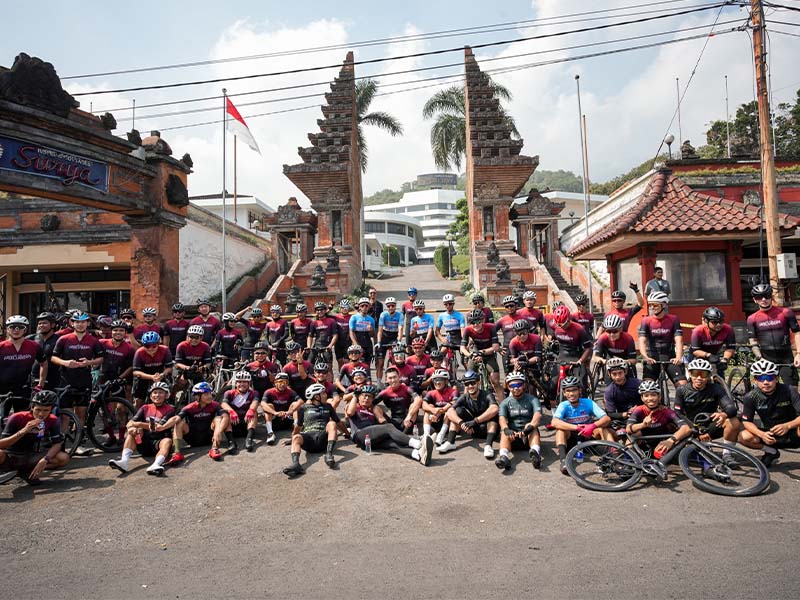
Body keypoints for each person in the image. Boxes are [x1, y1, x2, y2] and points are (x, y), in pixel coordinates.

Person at [345, 384, 433, 466]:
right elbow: (349, 412)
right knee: (388, 427)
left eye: (370, 397)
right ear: (359, 397)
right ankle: (418, 444)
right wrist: (354, 396)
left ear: (373, 400)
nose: (366, 398)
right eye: (364, 396)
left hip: (370, 441)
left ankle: (418, 455)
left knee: (393, 445)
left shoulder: (371, 411)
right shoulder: (355, 406)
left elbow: (381, 423)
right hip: (360, 435)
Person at [673, 358, 740, 464]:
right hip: (690, 427)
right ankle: (697, 446)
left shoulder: (716, 388)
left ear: (709, 376)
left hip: (710, 425)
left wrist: (723, 414)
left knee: (734, 421)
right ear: (690, 374)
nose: (699, 378)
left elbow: (731, 408)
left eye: (703, 375)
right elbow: (677, 413)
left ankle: (727, 454)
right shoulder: (682, 390)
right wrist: (696, 430)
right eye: (695, 374)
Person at [51, 312, 104, 442]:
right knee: (66, 415)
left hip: (84, 380)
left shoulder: (93, 340)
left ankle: (77, 440)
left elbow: (101, 358)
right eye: (77, 322)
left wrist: (89, 362)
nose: (80, 325)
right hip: (66, 380)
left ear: (87, 323)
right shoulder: (63, 339)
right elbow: (53, 357)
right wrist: (65, 363)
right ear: (72, 323)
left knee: (81, 413)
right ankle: (62, 442)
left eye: (83, 322)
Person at [738, 359, 800, 468]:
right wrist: (761, 434)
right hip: (769, 435)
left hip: (792, 432)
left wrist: (787, 426)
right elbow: (747, 422)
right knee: (743, 436)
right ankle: (771, 452)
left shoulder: (789, 390)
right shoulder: (750, 397)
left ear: (776, 378)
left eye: (770, 378)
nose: (766, 382)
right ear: (755, 380)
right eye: (761, 378)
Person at [0, 390, 70, 486]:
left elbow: (57, 444)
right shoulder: (17, 417)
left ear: (51, 410)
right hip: (9, 456)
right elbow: (2, 444)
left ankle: (26, 471)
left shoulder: (52, 420)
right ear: (32, 407)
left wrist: (45, 459)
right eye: (38, 410)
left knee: (63, 458)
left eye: (46, 410)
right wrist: (24, 431)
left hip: (29, 456)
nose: (41, 414)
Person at [108, 381, 175, 476]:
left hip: (159, 442)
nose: (157, 395)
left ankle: (156, 465)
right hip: (143, 443)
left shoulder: (170, 409)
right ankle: (124, 462)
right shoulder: (145, 407)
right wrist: (132, 428)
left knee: (167, 440)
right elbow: (130, 423)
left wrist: (138, 423)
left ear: (166, 395)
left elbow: (156, 427)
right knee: (134, 431)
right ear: (151, 396)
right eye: (155, 393)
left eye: (161, 392)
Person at [551, 376, 612, 474]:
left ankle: (614, 454)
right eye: (568, 391)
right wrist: (577, 427)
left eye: (574, 390)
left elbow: (606, 419)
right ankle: (563, 460)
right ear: (564, 393)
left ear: (579, 390)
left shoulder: (588, 402)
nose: (571, 393)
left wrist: (592, 426)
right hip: (572, 438)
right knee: (560, 430)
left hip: (588, 436)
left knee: (602, 428)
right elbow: (554, 422)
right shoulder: (563, 405)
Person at [747, 283, 800, 386]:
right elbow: (753, 341)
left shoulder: (786, 312)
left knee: (792, 390)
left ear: (771, 296)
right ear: (755, 300)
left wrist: (798, 354)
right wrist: (759, 357)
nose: (763, 299)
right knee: (768, 390)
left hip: (786, 357)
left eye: (766, 296)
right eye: (759, 297)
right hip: (766, 358)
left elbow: (797, 332)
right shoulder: (752, 318)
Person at [626, 380, 692, 462]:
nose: (650, 398)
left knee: (684, 435)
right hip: (643, 444)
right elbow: (628, 429)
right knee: (633, 435)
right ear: (642, 398)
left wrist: (670, 441)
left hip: (661, 444)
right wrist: (643, 425)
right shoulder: (639, 410)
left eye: (653, 395)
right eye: (646, 396)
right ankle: (626, 462)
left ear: (659, 397)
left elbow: (686, 428)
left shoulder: (666, 411)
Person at [283, 383, 340, 477]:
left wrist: (348, 434)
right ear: (317, 396)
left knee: (332, 423)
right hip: (309, 439)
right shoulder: (303, 408)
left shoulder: (328, 406)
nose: (326, 395)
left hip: (322, 439)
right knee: (297, 437)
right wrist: (292, 439)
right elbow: (298, 426)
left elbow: (338, 422)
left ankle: (329, 454)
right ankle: (296, 464)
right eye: (323, 393)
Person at [165, 381, 229, 463]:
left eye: (210, 393)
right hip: (193, 438)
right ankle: (177, 453)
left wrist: (219, 432)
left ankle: (214, 448)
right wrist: (162, 427)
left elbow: (226, 417)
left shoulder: (215, 405)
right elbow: (175, 419)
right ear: (197, 396)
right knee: (179, 422)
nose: (210, 396)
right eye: (206, 394)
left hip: (209, 437)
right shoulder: (189, 407)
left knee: (218, 418)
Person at [441, 370, 499, 457]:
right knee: (458, 411)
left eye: (472, 383)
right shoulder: (465, 397)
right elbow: (450, 411)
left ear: (478, 383)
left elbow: (494, 408)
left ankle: (488, 446)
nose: (470, 386)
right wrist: (461, 423)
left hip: (489, 430)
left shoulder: (487, 394)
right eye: (467, 384)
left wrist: (475, 421)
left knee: (493, 415)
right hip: (473, 429)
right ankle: (450, 442)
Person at [495, 371, 542, 470]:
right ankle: (504, 457)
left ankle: (535, 453)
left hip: (528, 435)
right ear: (508, 387)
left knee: (532, 426)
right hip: (513, 437)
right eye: (512, 385)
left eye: (518, 384)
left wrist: (530, 427)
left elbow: (538, 415)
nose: (515, 388)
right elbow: (502, 418)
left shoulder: (533, 399)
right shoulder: (505, 402)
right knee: (504, 431)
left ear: (524, 385)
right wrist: (506, 429)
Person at [638, 291, 686, 387]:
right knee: (646, 388)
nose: (652, 307)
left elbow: (678, 340)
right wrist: (645, 356)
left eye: (655, 305)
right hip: (652, 358)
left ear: (663, 305)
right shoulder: (646, 321)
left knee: (683, 386)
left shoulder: (673, 319)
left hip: (670, 357)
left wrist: (678, 357)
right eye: (650, 305)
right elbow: (642, 341)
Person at [0, 315, 47, 414]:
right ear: (7, 330)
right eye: (12, 327)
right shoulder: (1, 346)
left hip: (24, 389)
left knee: (21, 420)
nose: (16, 330)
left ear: (25, 330)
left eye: (20, 327)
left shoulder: (34, 346)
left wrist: (40, 384)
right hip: (2, 390)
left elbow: (44, 364)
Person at [547, 304, 593, 397]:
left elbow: (588, 348)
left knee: (581, 386)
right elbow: (549, 337)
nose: (561, 326)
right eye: (558, 324)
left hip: (576, 356)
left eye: (563, 324)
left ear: (569, 319)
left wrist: (580, 361)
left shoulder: (579, 329)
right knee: (552, 385)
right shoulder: (554, 325)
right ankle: (553, 409)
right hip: (562, 355)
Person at [461, 309, 503, 400]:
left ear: (483, 320)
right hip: (475, 351)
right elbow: (462, 348)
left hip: (488, 351)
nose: (475, 324)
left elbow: (495, 347)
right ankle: (465, 403)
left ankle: (503, 405)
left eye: (478, 321)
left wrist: (482, 352)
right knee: (468, 379)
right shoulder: (468, 329)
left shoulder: (491, 327)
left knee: (495, 381)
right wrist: (470, 355)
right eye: (472, 322)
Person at [220, 371, 260, 453]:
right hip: (233, 424)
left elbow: (255, 402)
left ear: (249, 383)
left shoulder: (254, 393)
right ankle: (231, 442)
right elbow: (223, 403)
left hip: (247, 424)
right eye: (239, 382)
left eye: (245, 382)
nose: (242, 384)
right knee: (225, 414)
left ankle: (249, 439)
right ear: (236, 383)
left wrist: (251, 410)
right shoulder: (229, 393)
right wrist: (231, 411)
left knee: (255, 412)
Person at [131, 331, 173, 409]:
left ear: (158, 344)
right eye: (147, 346)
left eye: (154, 346)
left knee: (166, 397)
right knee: (139, 401)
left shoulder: (165, 350)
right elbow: (135, 372)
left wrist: (162, 375)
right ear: (143, 345)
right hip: (144, 376)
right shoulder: (139, 352)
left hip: (160, 374)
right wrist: (151, 377)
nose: (150, 349)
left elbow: (169, 368)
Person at [690, 307, 736, 376]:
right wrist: (708, 355)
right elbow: (695, 351)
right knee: (698, 376)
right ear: (706, 321)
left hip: (714, 354)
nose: (718, 325)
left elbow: (730, 348)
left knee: (719, 374)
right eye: (714, 322)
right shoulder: (698, 331)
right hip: (697, 354)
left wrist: (725, 359)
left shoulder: (728, 329)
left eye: (721, 321)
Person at [376, 367, 423, 434]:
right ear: (386, 380)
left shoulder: (406, 388)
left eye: (395, 377)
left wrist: (409, 416)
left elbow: (418, 399)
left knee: (415, 403)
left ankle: (404, 433)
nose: (393, 380)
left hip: (407, 420)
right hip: (393, 421)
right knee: (376, 408)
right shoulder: (385, 392)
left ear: (399, 377)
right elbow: (371, 404)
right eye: (390, 378)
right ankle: (387, 428)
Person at [260, 372, 302, 444]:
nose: (282, 384)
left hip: (287, 418)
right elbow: (262, 404)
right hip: (274, 420)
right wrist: (275, 413)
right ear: (275, 383)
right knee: (269, 406)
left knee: (295, 404)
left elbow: (301, 401)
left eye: (285, 382)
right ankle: (270, 433)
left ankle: (296, 431)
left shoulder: (291, 391)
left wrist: (289, 411)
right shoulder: (269, 392)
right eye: (280, 382)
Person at [421, 368, 458, 444]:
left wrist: (441, 410)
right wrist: (433, 410)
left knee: (449, 410)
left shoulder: (453, 391)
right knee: (429, 407)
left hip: (448, 422)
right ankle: (426, 434)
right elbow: (424, 405)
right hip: (435, 419)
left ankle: (441, 434)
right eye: (435, 380)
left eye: (440, 380)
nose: (437, 382)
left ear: (446, 381)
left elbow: (455, 402)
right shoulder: (431, 392)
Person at [602, 357, 642, 427]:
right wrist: (625, 414)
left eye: (620, 373)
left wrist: (639, 408)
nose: (617, 377)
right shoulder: (609, 391)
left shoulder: (637, 384)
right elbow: (611, 413)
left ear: (625, 371)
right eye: (614, 374)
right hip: (624, 417)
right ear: (609, 374)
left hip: (641, 412)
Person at [27, 312, 61, 391]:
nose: (41, 325)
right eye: (39, 323)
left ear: (53, 325)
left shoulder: (59, 340)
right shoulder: (31, 338)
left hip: (54, 378)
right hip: (34, 377)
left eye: (44, 323)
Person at [98, 319, 135, 386]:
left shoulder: (130, 348)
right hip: (102, 376)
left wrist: (119, 378)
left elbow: (131, 366)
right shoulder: (102, 342)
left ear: (125, 332)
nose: (118, 332)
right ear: (111, 332)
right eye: (115, 330)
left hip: (118, 378)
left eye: (121, 330)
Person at [376, 297, 402, 380]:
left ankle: (396, 378)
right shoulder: (383, 315)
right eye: (389, 306)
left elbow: (400, 328)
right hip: (384, 336)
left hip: (394, 336)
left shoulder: (399, 315)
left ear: (395, 306)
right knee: (380, 362)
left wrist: (399, 340)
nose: (391, 307)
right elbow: (380, 330)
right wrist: (379, 342)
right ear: (387, 307)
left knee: (395, 360)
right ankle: (379, 382)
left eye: (393, 306)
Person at [308, 302, 338, 367]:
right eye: (317, 310)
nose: (319, 311)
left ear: (325, 310)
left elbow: (335, 335)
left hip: (327, 346)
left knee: (329, 367)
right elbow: (310, 336)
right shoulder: (314, 322)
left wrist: (330, 345)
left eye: (321, 310)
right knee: (309, 364)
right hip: (316, 345)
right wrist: (309, 346)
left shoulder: (331, 321)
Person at [349, 297, 376, 367]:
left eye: (366, 306)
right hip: (357, 341)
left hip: (367, 343)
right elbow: (351, 332)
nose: (364, 307)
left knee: (367, 365)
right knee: (356, 364)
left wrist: (371, 330)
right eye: (362, 306)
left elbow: (372, 335)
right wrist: (355, 344)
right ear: (359, 307)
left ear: (369, 307)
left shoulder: (371, 319)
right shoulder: (354, 317)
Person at [333, 299, 354, 371]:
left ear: (349, 308)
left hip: (347, 341)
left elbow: (359, 314)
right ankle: (341, 376)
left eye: (346, 307)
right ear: (340, 308)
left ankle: (348, 376)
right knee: (340, 361)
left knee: (347, 361)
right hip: (338, 342)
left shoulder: (352, 317)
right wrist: (330, 307)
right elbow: (325, 315)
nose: (344, 309)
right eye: (343, 307)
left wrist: (356, 307)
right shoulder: (336, 317)